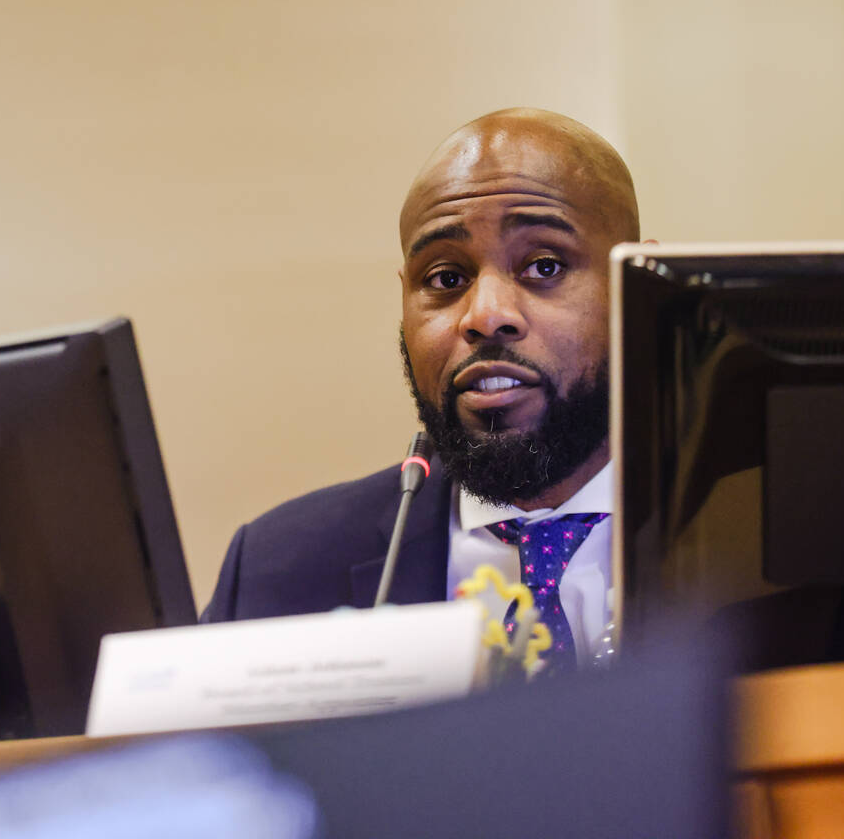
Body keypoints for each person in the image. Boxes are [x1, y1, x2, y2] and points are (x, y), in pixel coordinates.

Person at [202, 108, 640, 667]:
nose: (485, 315)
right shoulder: (277, 571)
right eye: (446, 279)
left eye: (544, 265)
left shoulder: (765, 545)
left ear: (637, 283)